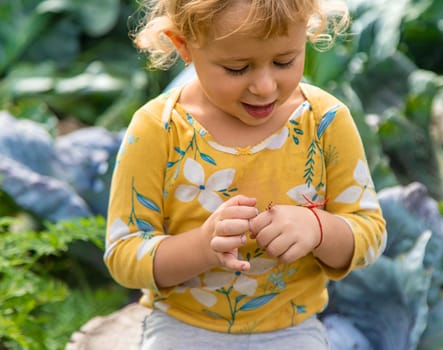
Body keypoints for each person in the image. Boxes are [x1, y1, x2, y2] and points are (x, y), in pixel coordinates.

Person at [104, 0, 387, 349]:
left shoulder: (325, 121)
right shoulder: (158, 129)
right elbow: (123, 254)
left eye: (284, 61)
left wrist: (318, 229)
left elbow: (371, 235)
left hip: (290, 330)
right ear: (184, 46)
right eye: (237, 68)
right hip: (183, 328)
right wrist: (202, 246)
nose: (265, 86)